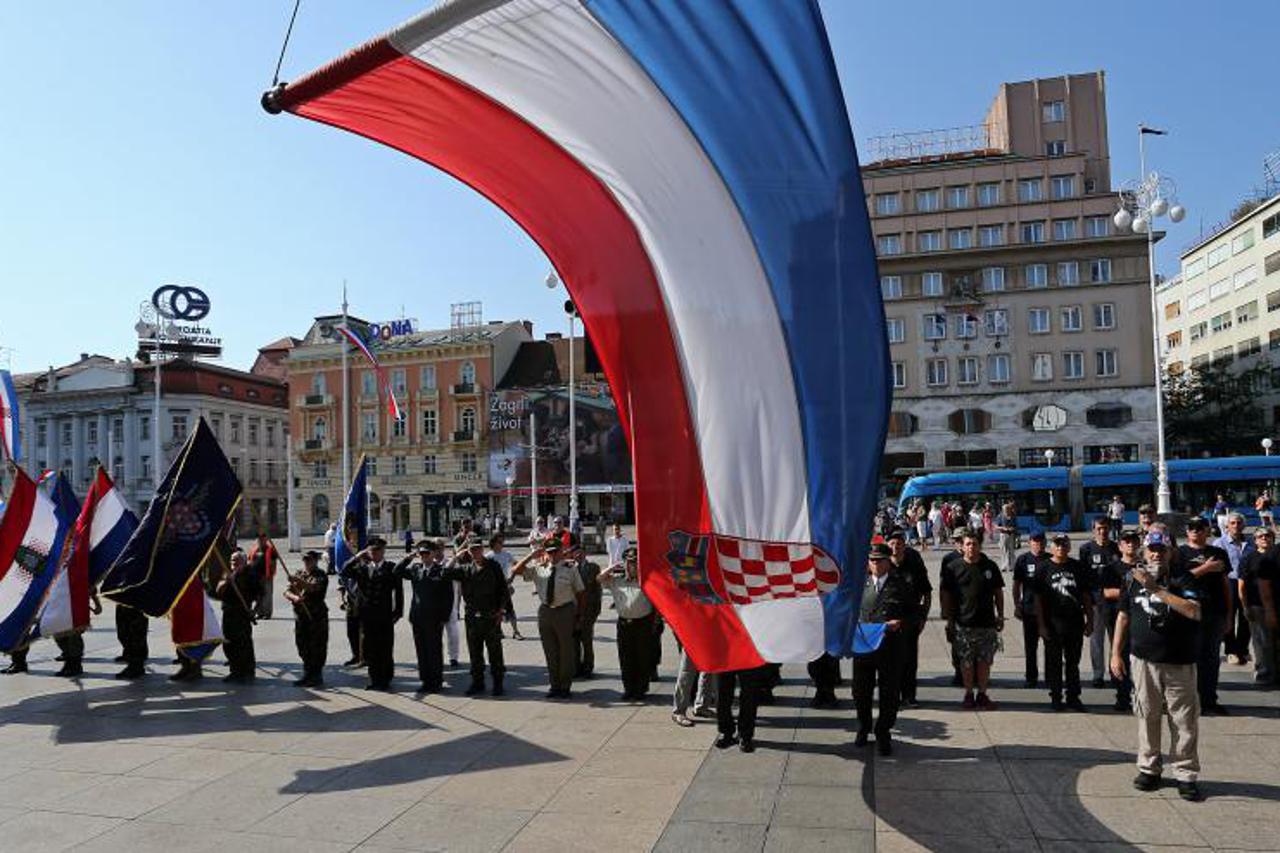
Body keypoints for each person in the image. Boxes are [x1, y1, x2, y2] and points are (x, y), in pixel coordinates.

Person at [1110, 530, 1203, 801]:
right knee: (1147, 713)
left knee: (1183, 720)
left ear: (1171, 551)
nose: (1155, 554)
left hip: (1178, 660)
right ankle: (1149, 768)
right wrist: (1115, 653)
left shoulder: (1183, 577)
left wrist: (1156, 589)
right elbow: (1123, 616)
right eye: (1151, 549)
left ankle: (1185, 773)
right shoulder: (1132, 578)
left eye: (1161, 549)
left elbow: (1193, 610)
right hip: (1143, 659)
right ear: (1143, 551)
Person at [853, 540, 914, 755]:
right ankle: (863, 727)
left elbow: (913, 613)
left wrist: (901, 625)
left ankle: (883, 731)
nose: (876, 564)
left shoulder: (902, 583)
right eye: (872, 560)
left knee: (889, 694)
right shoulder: (860, 584)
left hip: (891, 648)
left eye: (880, 560)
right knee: (861, 692)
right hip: (864, 647)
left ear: (889, 562)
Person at [513, 537, 586, 698]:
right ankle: (554, 686)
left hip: (565, 610)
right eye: (550, 552)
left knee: (566, 651)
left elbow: (581, 594)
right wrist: (531, 556)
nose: (553, 555)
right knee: (550, 651)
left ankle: (565, 686)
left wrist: (579, 616)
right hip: (546, 611)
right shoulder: (540, 568)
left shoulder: (570, 568)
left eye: (555, 552)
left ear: (561, 551)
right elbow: (516, 571)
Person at [940, 530, 1004, 710]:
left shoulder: (990, 566)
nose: (971, 548)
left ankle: (982, 694)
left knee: (985, 661)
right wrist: (948, 619)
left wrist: (1000, 614)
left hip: (986, 623)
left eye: (975, 544)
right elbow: (946, 594)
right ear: (962, 546)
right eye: (968, 544)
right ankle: (969, 694)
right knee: (966, 662)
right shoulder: (953, 568)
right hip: (963, 623)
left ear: (980, 545)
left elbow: (998, 592)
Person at [442, 539, 510, 696]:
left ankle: (498, 684)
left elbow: (503, 589)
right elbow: (445, 573)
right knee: (475, 652)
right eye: (472, 550)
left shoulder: (493, 566)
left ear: (483, 549)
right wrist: (456, 556)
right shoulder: (466, 569)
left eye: (478, 549)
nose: (475, 553)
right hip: (472, 618)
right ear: (468, 552)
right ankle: (477, 683)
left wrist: (501, 610)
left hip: (491, 616)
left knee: (495, 652)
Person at [1035, 534, 1095, 712]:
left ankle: (1073, 697)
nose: (1061, 548)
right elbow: (1037, 600)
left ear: (1069, 547)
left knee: (1073, 663)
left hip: (1074, 623)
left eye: (1064, 545)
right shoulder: (1043, 568)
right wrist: (1041, 625)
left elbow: (1086, 596)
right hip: (1052, 624)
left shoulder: (1077, 567)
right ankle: (1055, 697)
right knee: (1054, 663)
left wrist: (1090, 620)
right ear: (1052, 547)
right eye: (1057, 545)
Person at [1180, 518, 1233, 715]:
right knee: (1190, 658)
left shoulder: (1218, 553)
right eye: (1191, 528)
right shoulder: (1180, 553)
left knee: (1211, 658)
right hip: (1188, 614)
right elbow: (1179, 580)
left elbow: (1226, 586)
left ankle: (1209, 699)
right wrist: (1205, 569)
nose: (1195, 531)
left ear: (1207, 531)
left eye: (1199, 528)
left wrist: (1228, 615)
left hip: (1214, 612)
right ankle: (1190, 700)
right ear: (1187, 531)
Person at [342, 537, 404, 691]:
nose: (375, 553)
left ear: (383, 551)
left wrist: (398, 612)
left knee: (385, 647)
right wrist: (357, 557)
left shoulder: (391, 567)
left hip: (384, 615)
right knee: (370, 648)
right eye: (372, 550)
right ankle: (374, 679)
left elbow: (399, 592)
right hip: (367, 615)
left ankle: (385, 679)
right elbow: (345, 571)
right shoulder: (362, 568)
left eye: (378, 550)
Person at [396, 540, 453, 693]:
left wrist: (444, 617)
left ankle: (436, 681)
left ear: (434, 554)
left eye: (427, 553)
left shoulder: (440, 571)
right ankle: (426, 681)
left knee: (434, 650)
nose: (424, 556)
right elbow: (397, 571)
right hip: (417, 617)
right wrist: (409, 558)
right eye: (421, 554)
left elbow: (448, 596)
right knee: (421, 651)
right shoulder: (416, 569)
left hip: (434, 618)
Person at [600, 546, 655, 700]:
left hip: (643, 623)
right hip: (624, 624)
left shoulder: (647, 581)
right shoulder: (617, 581)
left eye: (635, 562)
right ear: (625, 564)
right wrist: (612, 567)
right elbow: (599, 579)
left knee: (642, 657)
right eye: (629, 562)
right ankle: (628, 688)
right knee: (626, 658)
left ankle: (641, 689)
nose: (632, 566)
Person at [887, 529, 931, 708]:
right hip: (888, 622)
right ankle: (891, 697)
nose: (895, 547)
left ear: (905, 546)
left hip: (910, 620)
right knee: (889, 662)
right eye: (892, 544)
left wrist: (923, 617)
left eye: (899, 544)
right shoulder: (881, 566)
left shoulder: (914, 566)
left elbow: (927, 594)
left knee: (909, 661)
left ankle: (908, 696)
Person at [1102, 531, 1142, 711]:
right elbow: (1107, 592)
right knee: (1119, 654)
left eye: (1133, 541)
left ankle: (1141, 694)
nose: (1130, 545)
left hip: (1141, 616)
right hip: (1117, 616)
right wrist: (1132, 592)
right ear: (1120, 546)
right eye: (1126, 542)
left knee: (1141, 656)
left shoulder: (1145, 567)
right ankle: (1122, 696)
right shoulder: (1112, 568)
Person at [1079, 518, 1120, 688]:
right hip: (1095, 602)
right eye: (1099, 528)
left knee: (1115, 639)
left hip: (1115, 601)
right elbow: (1082, 577)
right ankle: (1097, 674)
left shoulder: (1117, 547)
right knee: (1096, 640)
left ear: (1110, 529)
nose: (1102, 531)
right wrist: (1085, 602)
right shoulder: (1086, 549)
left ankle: (1115, 672)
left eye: (1105, 528)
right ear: (1093, 529)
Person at [215, 549, 262, 684]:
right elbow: (218, 590)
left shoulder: (250, 575)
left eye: (236, 561)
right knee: (229, 643)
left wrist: (255, 611)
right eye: (232, 561)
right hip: (228, 613)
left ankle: (247, 671)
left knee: (243, 644)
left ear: (244, 561)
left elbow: (260, 595)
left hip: (242, 613)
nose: (233, 563)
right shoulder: (227, 573)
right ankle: (235, 671)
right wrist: (226, 582)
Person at [284, 550, 329, 687]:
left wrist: (297, 581)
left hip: (316, 616)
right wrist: (295, 598)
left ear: (316, 561)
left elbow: (313, 587)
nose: (306, 563)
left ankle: (316, 676)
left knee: (316, 647)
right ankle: (307, 674)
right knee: (302, 645)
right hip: (301, 616)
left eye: (309, 560)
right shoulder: (299, 573)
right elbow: (286, 591)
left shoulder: (320, 575)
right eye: (305, 560)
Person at [1215, 513, 1254, 666]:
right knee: (1229, 616)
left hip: (1247, 582)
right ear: (1227, 526)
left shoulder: (1250, 542)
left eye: (1239, 523)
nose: (1236, 526)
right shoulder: (1220, 543)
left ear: (1243, 525)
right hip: (1229, 582)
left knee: (1246, 616)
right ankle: (1231, 651)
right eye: (1232, 523)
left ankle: (1242, 649)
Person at [1239, 527, 1277, 685]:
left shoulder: (1276, 555)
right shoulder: (1249, 558)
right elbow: (1241, 584)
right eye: (1260, 536)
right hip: (1257, 605)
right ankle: (1263, 672)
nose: (1264, 538)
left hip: (1276, 604)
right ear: (1255, 541)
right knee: (1262, 642)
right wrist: (1245, 606)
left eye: (1267, 535)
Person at [1012, 531, 1048, 688]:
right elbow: (1016, 585)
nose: (1038, 544)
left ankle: (1051, 676)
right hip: (1029, 609)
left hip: (1049, 610)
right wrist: (1017, 604)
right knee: (1030, 646)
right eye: (1035, 541)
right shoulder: (1023, 560)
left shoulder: (1050, 559)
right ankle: (1031, 676)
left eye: (1041, 541)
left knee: (1050, 645)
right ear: (1029, 543)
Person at [716, 664, 771, 753]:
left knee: (749, 694)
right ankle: (727, 732)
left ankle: (745, 735)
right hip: (726, 654)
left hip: (747, 654)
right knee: (724, 693)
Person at [571, 541, 603, 678]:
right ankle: (576, 667)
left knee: (587, 640)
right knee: (574, 641)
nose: (578, 555)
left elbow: (598, 591)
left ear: (585, 553)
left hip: (588, 611)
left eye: (580, 552)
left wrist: (596, 611)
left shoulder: (593, 568)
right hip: (572, 611)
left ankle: (588, 667)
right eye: (575, 553)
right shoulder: (569, 568)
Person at [940, 529, 967, 686]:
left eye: (960, 539)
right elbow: (944, 586)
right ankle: (958, 672)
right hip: (955, 606)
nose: (958, 543)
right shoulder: (948, 559)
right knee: (956, 642)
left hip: (972, 607)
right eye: (956, 540)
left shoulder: (979, 557)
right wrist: (944, 608)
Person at [487, 535, 522, 640]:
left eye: (502, 542)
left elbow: (517, 565)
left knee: (510, 609)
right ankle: (499, 631)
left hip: (504, 586)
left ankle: (516, 631)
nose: (502, 544)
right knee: (496, 610)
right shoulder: (489, 557)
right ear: (493, 543)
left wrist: (512, 577)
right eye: (500, 542)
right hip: (493, 588)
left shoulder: (506, 554)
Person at [672, 647, 717, 726]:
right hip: (693, 637)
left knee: (708, 669)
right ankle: (679, 711)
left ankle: (701, 706)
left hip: (712, 636)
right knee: (687, 669)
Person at [247, 532, 279, 620]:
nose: (260, 539)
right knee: (258, 595)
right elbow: (249, 561)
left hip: (266, 576)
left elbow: (273, 563)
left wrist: (270, 574)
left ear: (266, 539)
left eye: (262, 537)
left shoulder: (270, 549)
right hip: (255, 577)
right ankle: (259, 613)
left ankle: (267, 613)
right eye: (259, 538)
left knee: (267, 595)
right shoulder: (254, 549)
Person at [994, 502, 1018, 574]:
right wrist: (1003, 528)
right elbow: (996, 526)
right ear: (1003, 510)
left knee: (1011, 551)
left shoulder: (1013, 516)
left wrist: (1013, 528)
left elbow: (1016, 525)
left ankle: (1011, 566)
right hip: (1003, 535)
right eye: (1005, 509)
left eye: (1008, 509)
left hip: (1011, 535)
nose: (1007, 510)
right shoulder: (1000, 516)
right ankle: (1003, 566)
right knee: (1003, 551)